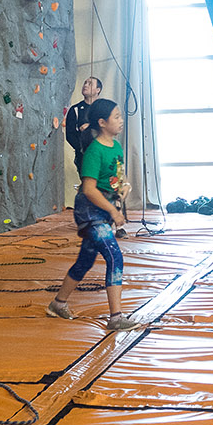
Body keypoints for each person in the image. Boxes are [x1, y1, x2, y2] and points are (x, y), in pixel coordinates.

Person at [47, 98, 138, 330]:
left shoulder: (115, 147)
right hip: (90, 212)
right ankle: (116, 317)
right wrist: (112, 211)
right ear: (102, 122)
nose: (120, 120)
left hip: (103, 210)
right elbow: (88, 189)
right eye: (116, 117)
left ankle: (58, 303)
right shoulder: (94, 151)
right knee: (114, 257)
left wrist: (124, 187)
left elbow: (118, 176)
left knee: (85, 260)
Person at [64, 76, 103, 171]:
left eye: (90, 84)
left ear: (98, 90)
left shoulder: (104, 109)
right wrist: (83, 150)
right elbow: (70, 135)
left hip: (103, 154)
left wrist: (91, 126)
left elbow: (110, 128)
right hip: (83, 158)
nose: (85, 85)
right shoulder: (75, 109)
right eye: (85, 83)